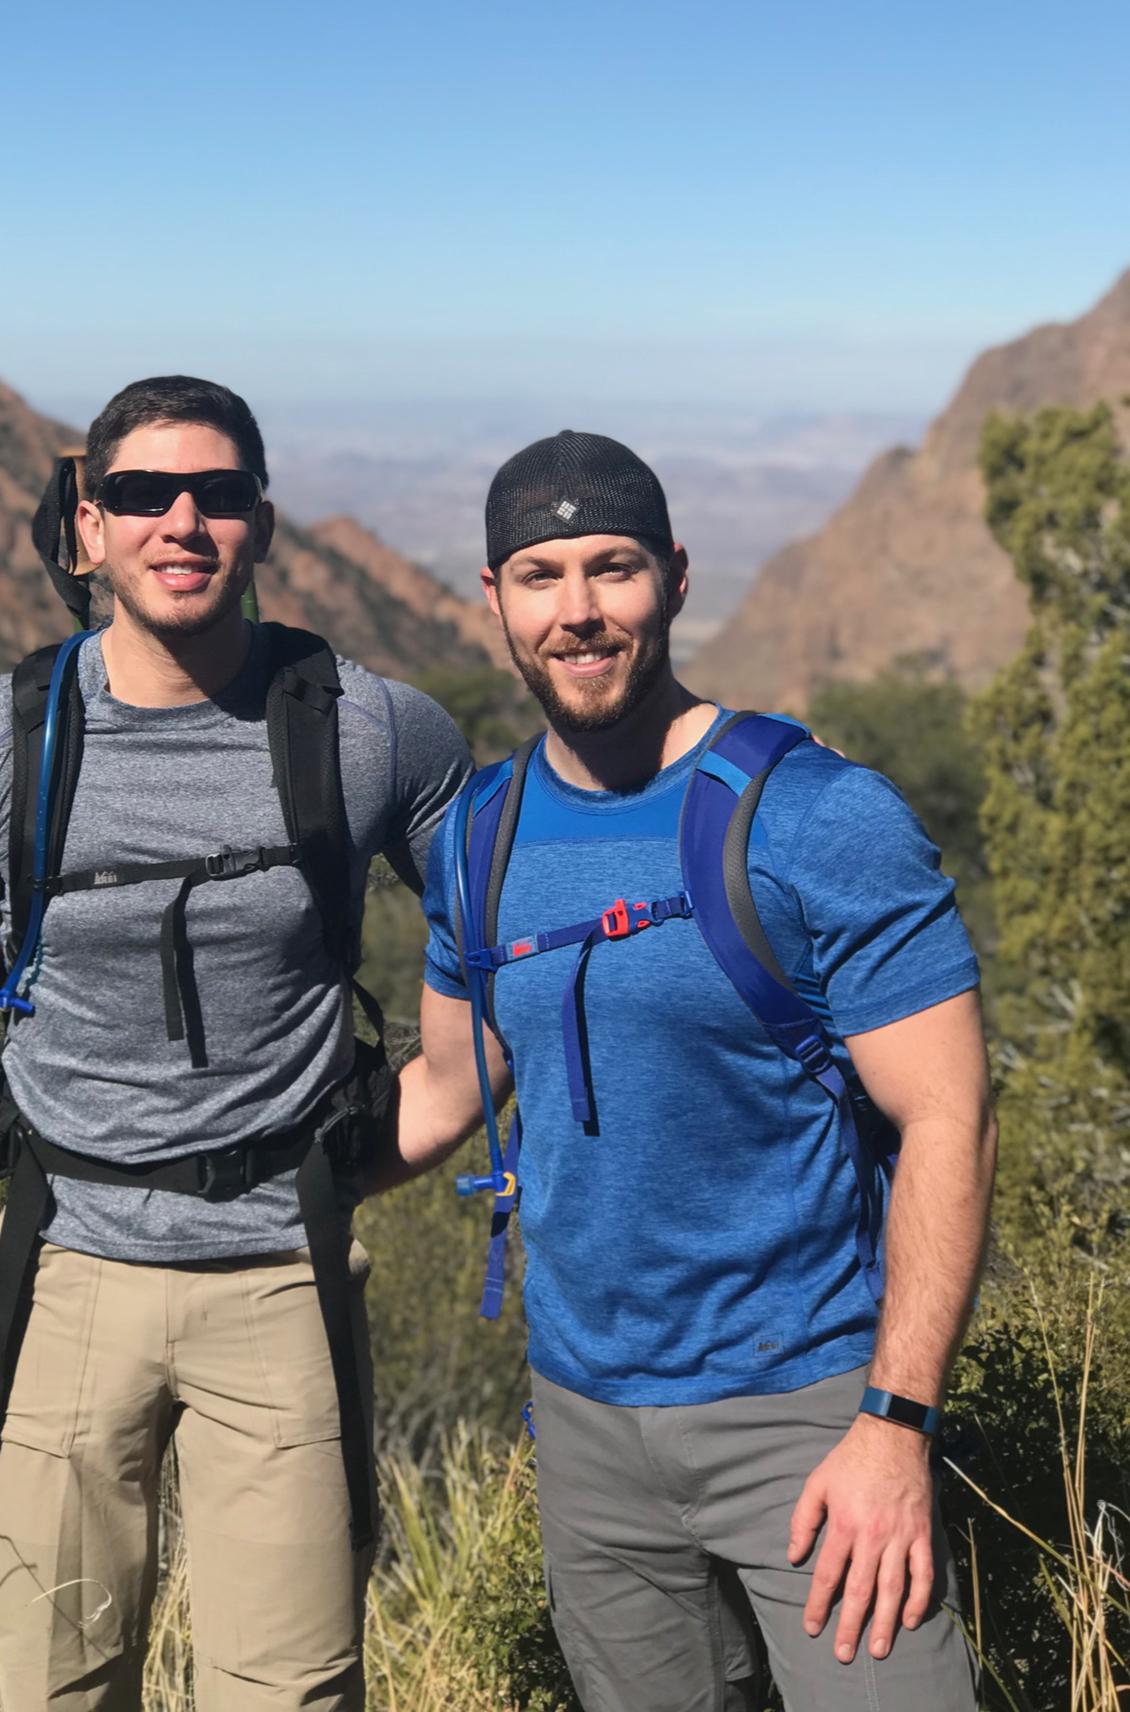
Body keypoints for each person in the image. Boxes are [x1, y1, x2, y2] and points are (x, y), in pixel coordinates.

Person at [0, 375, 472, 1712]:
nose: (181, 521)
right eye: (142, 493)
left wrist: (409, 1128)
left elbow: (494, 944)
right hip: (59, 1274)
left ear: (262, 523)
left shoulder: (370, 729)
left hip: (282, 1279)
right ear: (87, 530)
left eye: (218, 493)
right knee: (57, 1686)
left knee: (290, 1691)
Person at [392, 429, 995, 1712]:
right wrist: (223, 1172)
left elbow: (949, 1116)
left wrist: (895, 1424)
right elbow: (442, 1089)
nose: (578, 610)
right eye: (541, 575)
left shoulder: (819, 816)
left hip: (811, 1409)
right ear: (493, 598)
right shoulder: (478, 837)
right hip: (585, 1428)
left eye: (611, 568)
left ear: (673, 574)